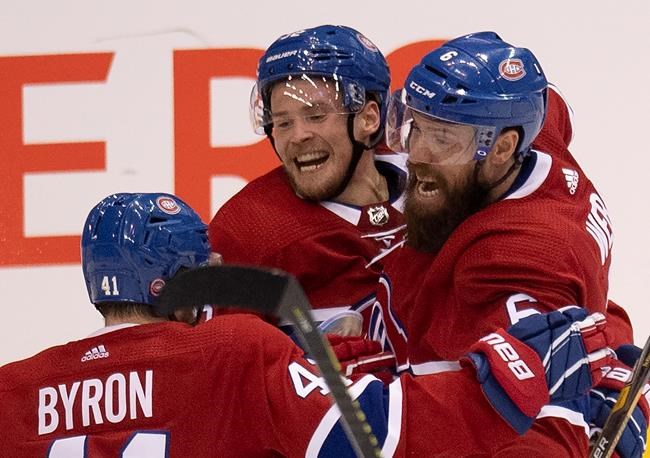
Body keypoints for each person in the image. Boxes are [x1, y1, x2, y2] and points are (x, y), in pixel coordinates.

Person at [0, 192, 614, 457]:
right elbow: (373, 436)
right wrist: (509, 380)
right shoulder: (232, 351)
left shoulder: (13, 391)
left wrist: (303, 360)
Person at [370, 31, 643, 456]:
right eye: (416, 126)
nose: (417, 153)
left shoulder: (518, 259)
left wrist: (570, 413)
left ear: (502, 147)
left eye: (443, 138)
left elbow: (537, 412)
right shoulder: (538, 132)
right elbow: (554, 105)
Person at [209, 25, 407, 327]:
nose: (298, 136)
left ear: (368, 118)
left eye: (316, 116)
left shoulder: (433, 183)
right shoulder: (247, 232)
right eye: (283, 122)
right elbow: (221, 352)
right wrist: (304, 351)